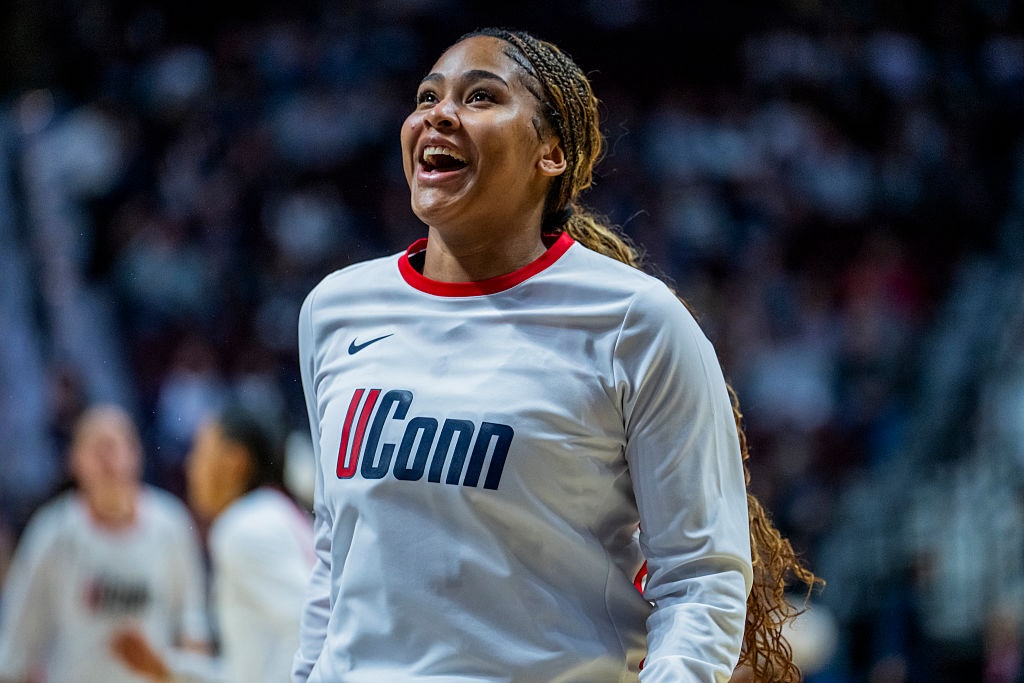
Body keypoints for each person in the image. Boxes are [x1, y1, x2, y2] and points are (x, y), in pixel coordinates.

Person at [292, 27, 820, 683]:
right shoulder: (334, 309)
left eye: (481, 97)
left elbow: (699, 577)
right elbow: (335, 554)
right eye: (427, 96)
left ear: (550, 152)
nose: (439, 113)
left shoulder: (639, 322)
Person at [0, 404, 210, 683]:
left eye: (115, 446)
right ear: (74, 460)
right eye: (96, 448)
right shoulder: (52, 533)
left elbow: (193, 628)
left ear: (136, 454)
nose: (107, 458)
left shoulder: (171, 525)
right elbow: (19, 639)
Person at [111, 402, 315, 683]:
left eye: (200, 450)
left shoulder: (243, 528)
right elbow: (249, 673)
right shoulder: (280, 513)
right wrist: (170, 669)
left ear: (235, 460)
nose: (190, 465)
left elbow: (310, 632)